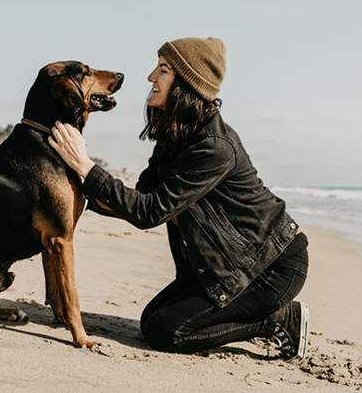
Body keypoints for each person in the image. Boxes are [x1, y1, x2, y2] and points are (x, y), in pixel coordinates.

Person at [48, 37, 309, 361]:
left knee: (168, 331)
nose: (150, 78)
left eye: (163, 70)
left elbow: (148, 212)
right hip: (219, 269)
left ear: (187, 82)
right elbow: (141, 197)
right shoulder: (178, 134)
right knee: (152, 320)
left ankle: (277, 318)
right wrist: (70, 180)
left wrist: (86, 167)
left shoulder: (213, 146)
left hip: (269, 270)